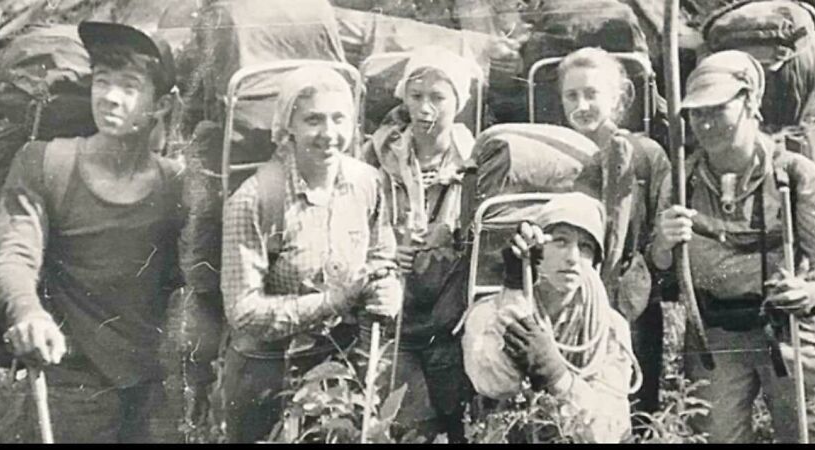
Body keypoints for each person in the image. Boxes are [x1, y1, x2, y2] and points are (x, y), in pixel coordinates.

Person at [0, 22, 183, 443]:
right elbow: (12, 251)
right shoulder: (44, 163)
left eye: (129, 86)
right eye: (102, 81)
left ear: (161, 104)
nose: (110, 97)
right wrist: (28, 312)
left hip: (153, 387)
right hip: (70, 377)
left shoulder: (176, 185)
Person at [650, 50, 815, 443]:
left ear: (750, 102)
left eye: (717, 108)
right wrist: (662, 242)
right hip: (715, 337)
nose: (704, 123)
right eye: (695, 112)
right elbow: (660, 273)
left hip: (788, 331)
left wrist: (807, 291)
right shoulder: (681, 180)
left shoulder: (793, 175)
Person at [219, 65, 402, 443]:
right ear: (288, 127)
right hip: (268, 375)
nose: (329, 134)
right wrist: (333, 301)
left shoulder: (367, 182)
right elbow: (244, 311)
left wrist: (388, 289)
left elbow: (383, 255)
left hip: (342, 369)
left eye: (339, 119)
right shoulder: (255, 200)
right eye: (313, 120)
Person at [362, 45, 478, 442]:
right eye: (416, 96)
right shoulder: (378, 155)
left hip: (450, 316)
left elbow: (485, 239)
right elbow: (355, 222)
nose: (425, 108)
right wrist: (389, 248)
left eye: (437, 97)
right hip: (396, 319)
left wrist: (448, 242)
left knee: (459, 420)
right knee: (411, 426)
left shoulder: (476, 160)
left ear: (458, 103)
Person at [463, 192, 637, 443]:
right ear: (537, 251)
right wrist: (515, 289)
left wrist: (558, 376)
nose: (573, 258)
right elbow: (496, 385)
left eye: (586, 247)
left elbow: (612, 431)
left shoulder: (610, 328)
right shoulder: (487, 315)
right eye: (560, 241)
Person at [558, 47, 671, 420]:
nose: (582, 104)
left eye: (592, 94)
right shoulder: (554, 154)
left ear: (618, 98)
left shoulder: (646, 154)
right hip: (568, 302)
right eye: (571, 95)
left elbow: (661, 234)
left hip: (631, 305)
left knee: (632, 410)